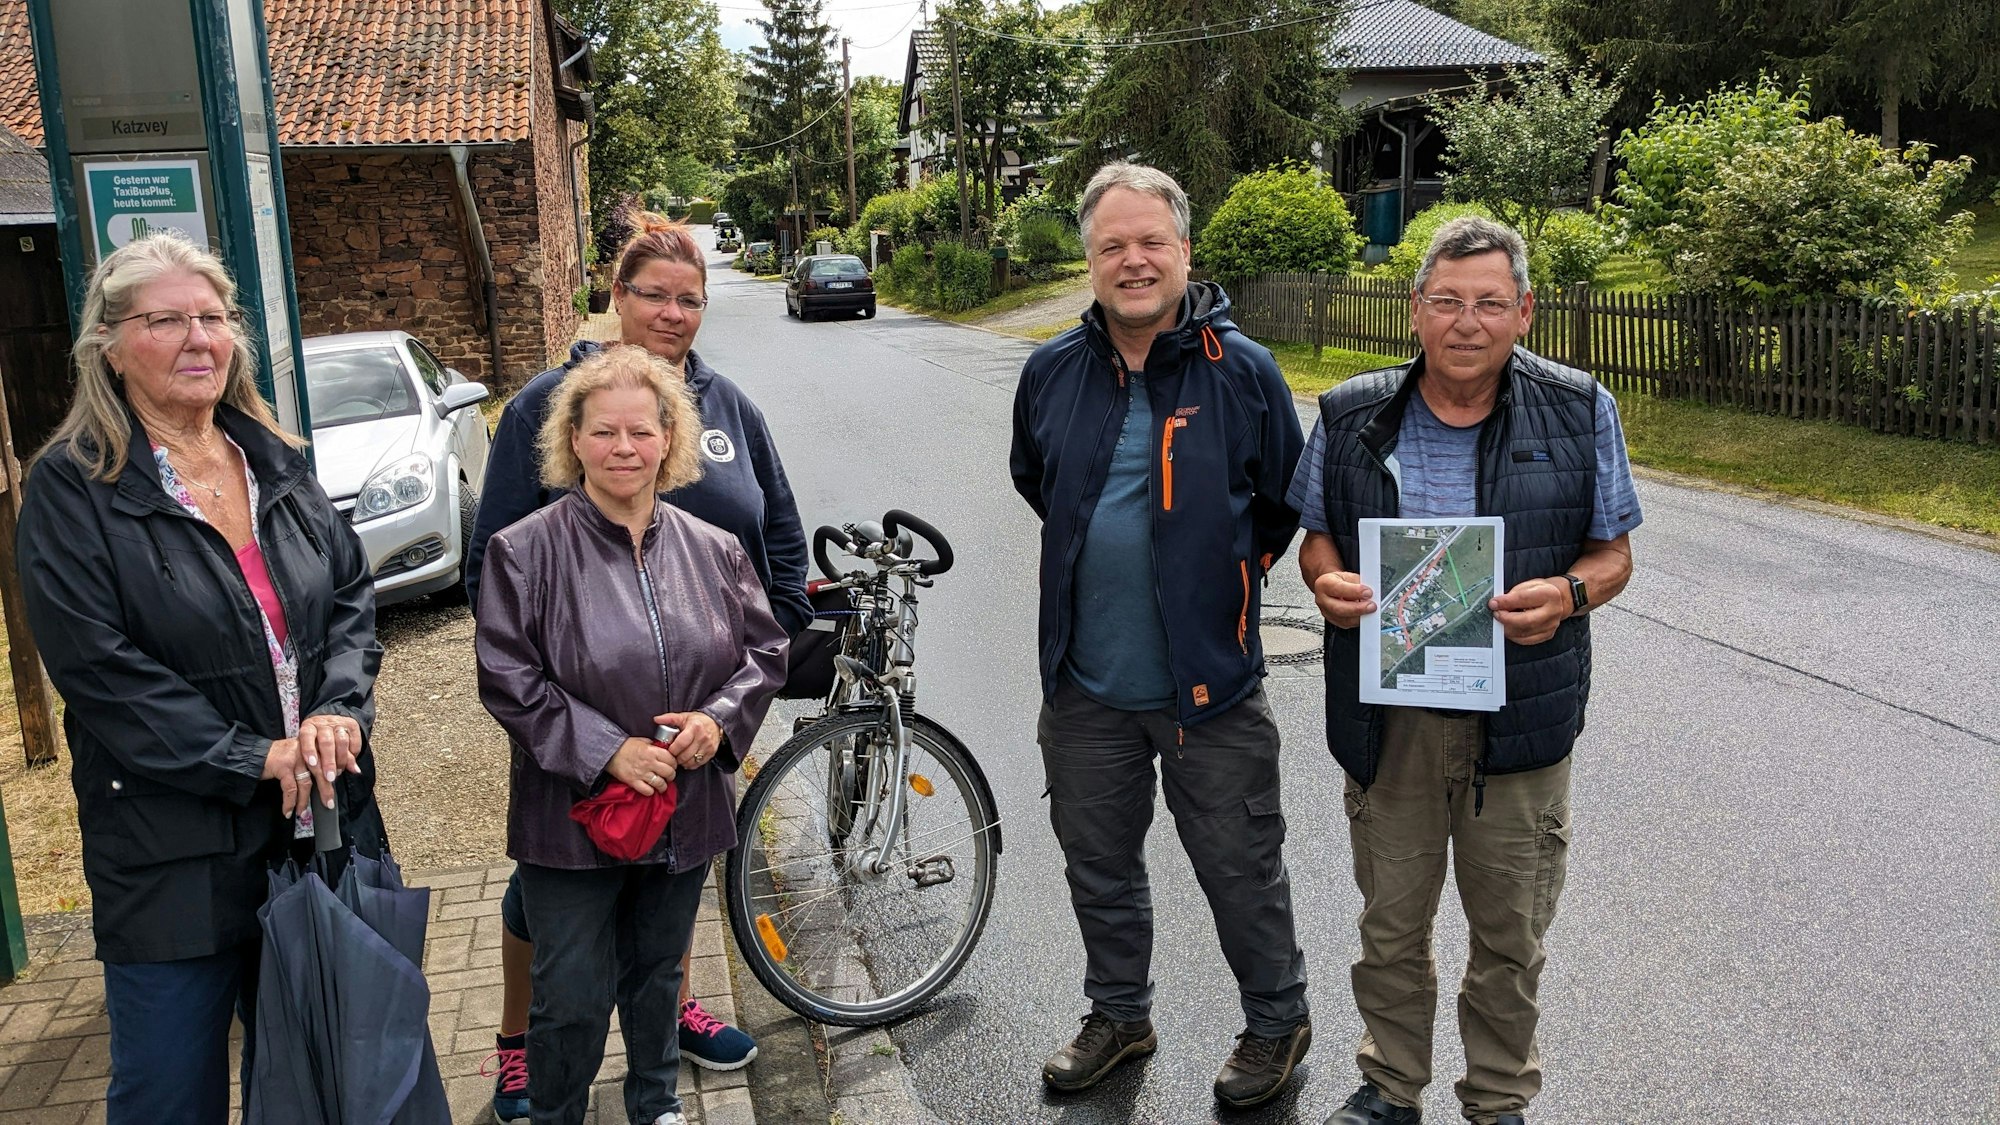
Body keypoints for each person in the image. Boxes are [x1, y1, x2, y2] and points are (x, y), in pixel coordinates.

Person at [15, 232, 386, 1123]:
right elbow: (100, 673)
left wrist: (339, 709)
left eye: (213, 318)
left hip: (315, 827)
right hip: (169, 854)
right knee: (168, 1093)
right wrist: (250, 755)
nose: (198, 338)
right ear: (107, 344)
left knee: (317, 1077)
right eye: (166, 319)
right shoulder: (73, 488)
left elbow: (348, 595)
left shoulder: (271, 458)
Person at [1297, 216, 1641, 1125]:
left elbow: (1614, 555)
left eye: (1490, 303)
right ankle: (1389, 1086)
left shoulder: (1579, 408)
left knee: (1511, 932)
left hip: (1521, 718)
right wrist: (1326, 578)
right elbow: (1317, 532)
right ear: (1414, 309)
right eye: (1446, 300)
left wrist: (1568, 592)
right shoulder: (1350, 411)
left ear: (1524, 312)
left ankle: (1497, 1099)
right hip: (1392, 716)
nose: (1466, 321)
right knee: (1390, 924)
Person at [465, 216, 808, 1120]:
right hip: (572, 801)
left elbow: (762, 640)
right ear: (570, 440)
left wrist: (722, 722)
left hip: (687, 796)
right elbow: (504, 666)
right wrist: (604, 748)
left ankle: (655, 1100)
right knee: (571, 991)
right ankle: (553, 1101)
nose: (625, 447)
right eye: (605, 432)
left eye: (643, 433)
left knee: (658, 971)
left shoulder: (710, 540)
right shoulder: (524, 547)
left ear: (671, 440)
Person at [1008, 162, 1311, 1109]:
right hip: (1085, 684)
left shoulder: (1244, 371)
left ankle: (1276, 1022)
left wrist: (1218, 580)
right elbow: (1038, 482)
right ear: (1090, 259)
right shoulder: (1051, 369)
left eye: (1151, 243)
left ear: (1184, 250)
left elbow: (1281, 498)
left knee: (1239, 867)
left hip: (1209, 689)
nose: (1133, 261)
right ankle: (1119, 1012)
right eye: (1112, 246)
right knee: (1097, 864)